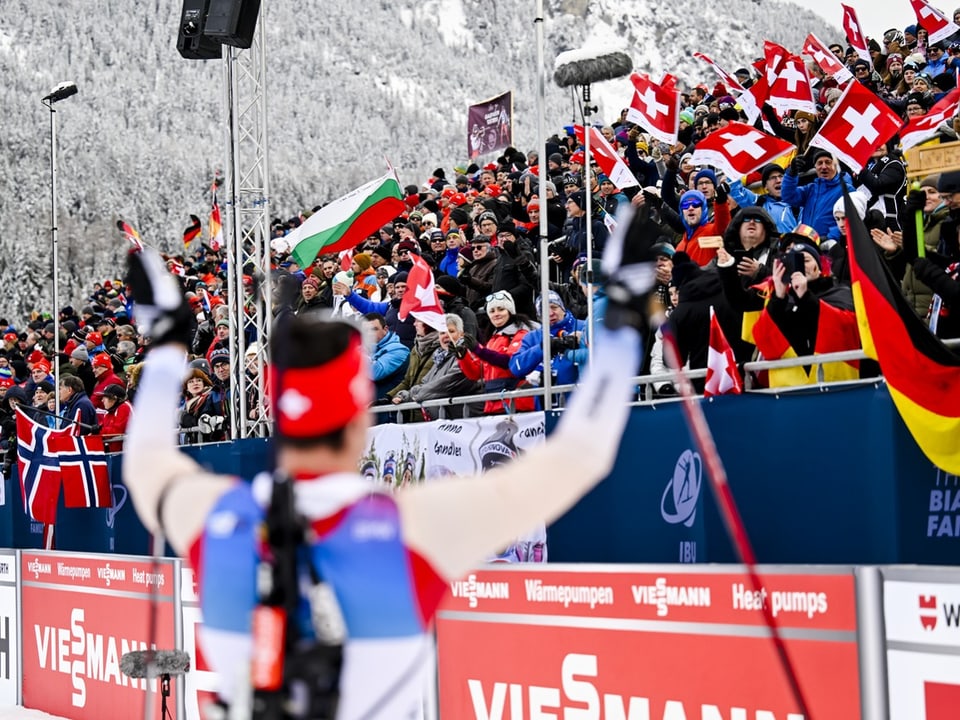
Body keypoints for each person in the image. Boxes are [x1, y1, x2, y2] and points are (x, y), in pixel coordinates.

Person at [122, 241, 650, 719]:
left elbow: (145, 462)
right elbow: (580, 454)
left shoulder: (216, 516)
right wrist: (624, 320)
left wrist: (167, 346)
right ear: (358, 421)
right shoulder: (412, 527)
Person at [454, 290, 538, 415]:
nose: (496, 314)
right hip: (493, 404)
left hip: (517, 404)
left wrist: (478, 350)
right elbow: (476, 373)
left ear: (510, 310)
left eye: (501, 309)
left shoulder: (522, 334)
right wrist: (462, 356)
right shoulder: (493, 339)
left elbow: (511, 362)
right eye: (492, 311)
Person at [98, 383, 133, 453]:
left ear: (114, 398)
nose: (102, 400)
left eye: (105, 397)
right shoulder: (109, 412)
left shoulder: (124, 408)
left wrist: (99, 431)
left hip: (125, 455)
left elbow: (116, 432)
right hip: (115, 454)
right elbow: (105, 428)